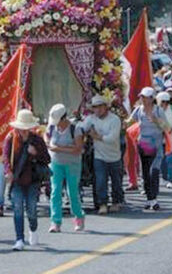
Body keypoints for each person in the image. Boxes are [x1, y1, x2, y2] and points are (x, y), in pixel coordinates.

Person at [3, 109, 50, 251]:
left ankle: (33, 229)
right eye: (21, 128)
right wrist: (8, 172)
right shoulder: (11, 138)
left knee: (32, 209)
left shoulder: (37, 140)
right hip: (17, 180)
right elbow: (5, 158)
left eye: (26, 128)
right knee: (17, 208)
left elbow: (47, 159)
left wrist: (35, 153)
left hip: (33, 180)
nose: (23, 131)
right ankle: (19, 239)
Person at [45, 104, 85, 233]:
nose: (57, 125)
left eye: (59, 122)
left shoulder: (75, 128)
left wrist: (59, 149)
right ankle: (55, 221)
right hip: (55, 163)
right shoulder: (52, 127)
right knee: (55, 191)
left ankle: (79, 216)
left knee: (72, 192)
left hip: (72, 164)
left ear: (64, 118)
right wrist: (47, 142)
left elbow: (78, 149)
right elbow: (46, 134)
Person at [81, 95, 124, 215]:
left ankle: (117, 201)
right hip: (99, 156)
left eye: (100, 106)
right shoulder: (91, 119)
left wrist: (97, 137)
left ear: (106, 107)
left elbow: (112, 138)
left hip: (114, 155)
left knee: (116, 181)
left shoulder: (114, 119)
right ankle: (102, 203)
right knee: (100, 180)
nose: (98, 110)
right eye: (95, 107)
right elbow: (82, 129)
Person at [129, 87, 169, 211]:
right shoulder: (138, 110)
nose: (144, 100)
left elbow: (167, 127)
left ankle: (154, 199)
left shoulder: (158, 111)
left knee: (154, 172)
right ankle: (149, 199)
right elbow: (130, 121)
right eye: (142, 97)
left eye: (147, 97)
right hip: (143, 145)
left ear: (152, 99)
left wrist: (157, 121)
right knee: (145, 173)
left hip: (156, 146)